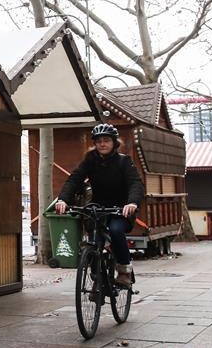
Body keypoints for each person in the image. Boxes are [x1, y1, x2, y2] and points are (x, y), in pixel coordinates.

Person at [54, 123, 145, 287]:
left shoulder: (124, 161)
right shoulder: (90, 161)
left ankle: (124, 271)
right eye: (99, 141)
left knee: (116, 231)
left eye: (106, 140)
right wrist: (63, 200)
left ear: (114, 143)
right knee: (94, 241)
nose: (102, 144)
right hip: (97, 208)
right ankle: (97, 278)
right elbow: (74, 180)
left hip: (120, 209)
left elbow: (135, 183)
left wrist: (132, 202)